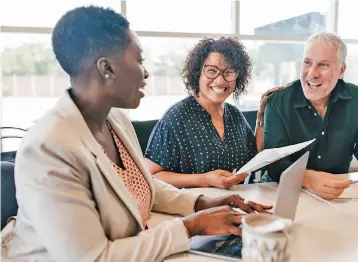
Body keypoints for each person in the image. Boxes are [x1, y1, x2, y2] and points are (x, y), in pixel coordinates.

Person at [0, 6, 273, 262]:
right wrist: (190, 227)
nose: (146, 72)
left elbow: (141, 183)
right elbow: (95, 258)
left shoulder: (114, 119)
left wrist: (203, 202)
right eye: (139, 60)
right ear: (106, 68)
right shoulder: (48, 147)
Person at [263, 32, 358, 202]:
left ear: (341, 70)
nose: (312, 73)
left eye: (323, 65)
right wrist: (310, 179)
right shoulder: (278, 101)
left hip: (335, 196)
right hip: (279, 192)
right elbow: (274, 163)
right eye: (307, 63)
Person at [145, 37, 282, 189]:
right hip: (193, 207)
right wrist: (205, 179)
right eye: (212, 71)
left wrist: (261, 118)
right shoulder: (176, 118)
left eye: (229, 72)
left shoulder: (234, 115)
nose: (220, 81)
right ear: (197, 73)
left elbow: (255, 157)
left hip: (235, 203)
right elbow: (151, 175)